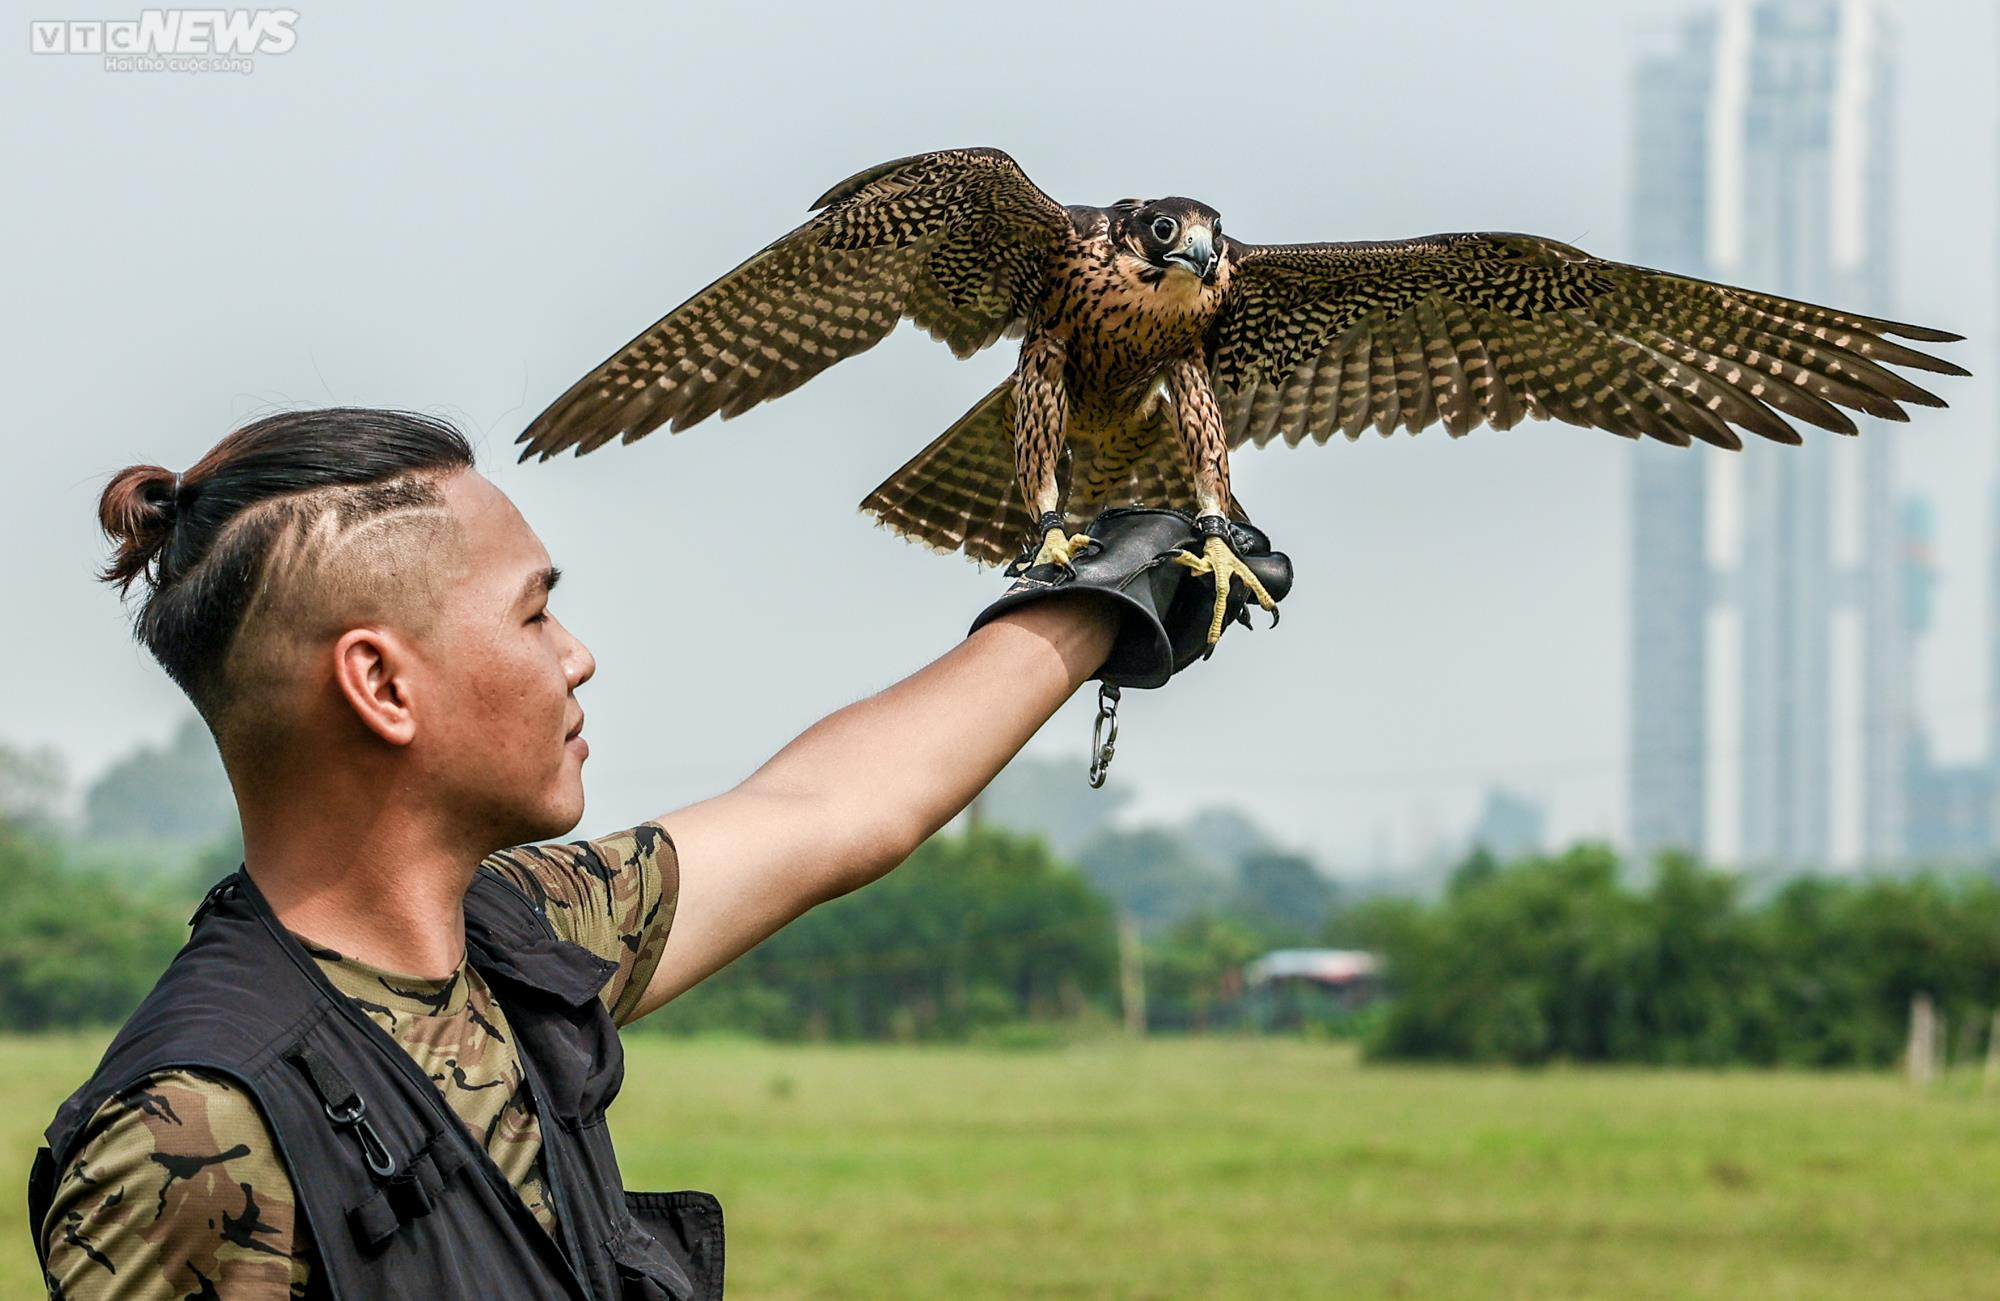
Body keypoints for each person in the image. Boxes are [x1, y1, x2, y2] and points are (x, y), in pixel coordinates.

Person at [31, 408, 1287, 1300]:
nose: (576, 653)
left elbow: (830, 808)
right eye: (535, 610)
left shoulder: (516, 933)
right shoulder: (191, 1129)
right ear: (382, 684)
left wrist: (1103, 597)